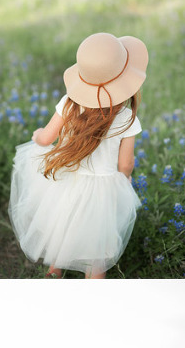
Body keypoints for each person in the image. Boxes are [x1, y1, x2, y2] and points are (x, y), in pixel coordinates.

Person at [9, 32, 146, 277]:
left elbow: (46, 138)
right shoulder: (126, 117)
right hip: (102, 189)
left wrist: (37, 134)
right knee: (96, 250)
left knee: (60, 228)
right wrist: (124, 179)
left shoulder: (69, 103)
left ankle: (55, 271)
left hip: (65, 181)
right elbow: (126, 163)